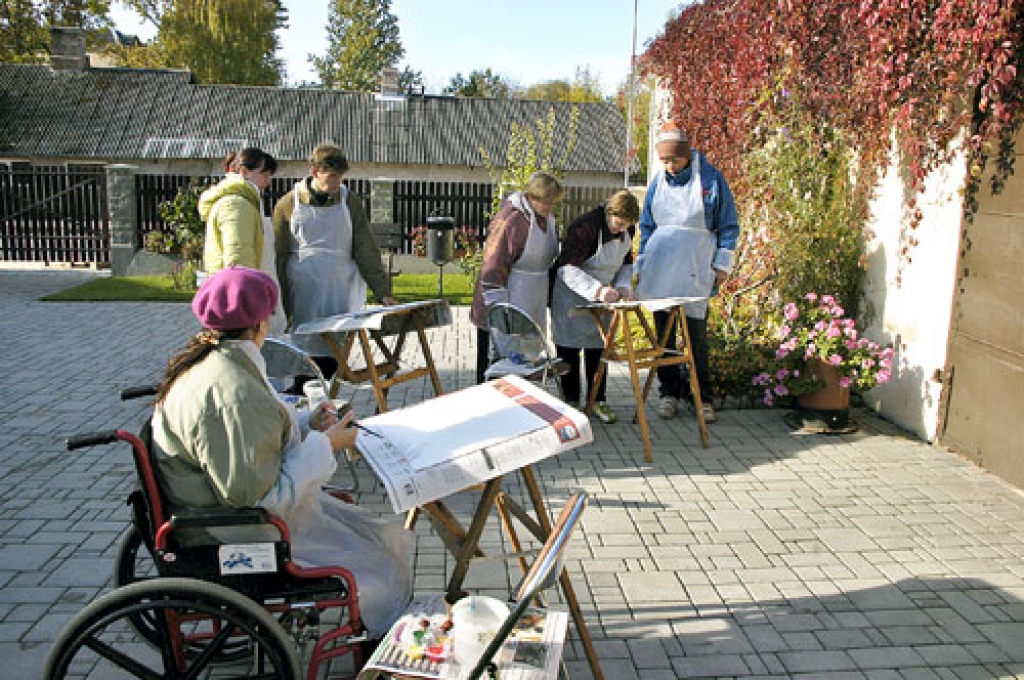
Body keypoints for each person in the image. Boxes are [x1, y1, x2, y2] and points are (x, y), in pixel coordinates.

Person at [150, 266, 412, 639]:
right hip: (234, 531)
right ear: (261, 323)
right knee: (380, 562)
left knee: (376, 536)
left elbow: (257, 431)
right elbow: (261, 499)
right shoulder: (232, 388)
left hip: (215, 510)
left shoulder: (217, 363)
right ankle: (380, 647)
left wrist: (307, 423)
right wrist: (328, 444)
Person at [635, 122, 740, 423]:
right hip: (661, 268)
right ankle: (668, 394)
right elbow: (647, 226)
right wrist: (641, 263)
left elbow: (728, 225)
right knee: (664, 337)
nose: (670, 166)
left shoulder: (710, 180)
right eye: (665, 161)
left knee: (695, 337)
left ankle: (701, 398)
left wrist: (722, 265)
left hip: (696, 265)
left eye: (675, 160)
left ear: (686, 155)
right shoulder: (657, 183)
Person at [273, 143, 394, 380]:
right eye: (331, 177)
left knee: (335, 346)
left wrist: (383, 292)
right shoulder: (288, 204)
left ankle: (326, 396)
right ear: (314, 172)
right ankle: (305, 394)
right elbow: (279, 255)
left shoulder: (350, 202)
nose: (336, 182)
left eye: (340, 177)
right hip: (303, 291)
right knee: (305, 346)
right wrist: (281, 303)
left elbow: (365, 249)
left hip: (341, 288)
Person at [550, 190, 639, 423]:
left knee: (598, 350)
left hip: (603, 298)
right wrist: (597, 291)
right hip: (571, 294)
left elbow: (626, 265)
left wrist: (623, 287)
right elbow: (566, 269)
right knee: (568, 350)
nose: (622, 229)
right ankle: (569, 402)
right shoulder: (585, 227)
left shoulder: (628, 230)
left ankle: (598, 400)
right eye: (619, 223)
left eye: (627, 225)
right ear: (610, 213)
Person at [470, 171, 564, 384]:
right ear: (532, 197)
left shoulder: (547, 219)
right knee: (497, 365)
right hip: (505, 297)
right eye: (546, 202)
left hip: (533, 299)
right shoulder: (510, 220)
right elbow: (493, 266)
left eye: (553, 203)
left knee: (529, 361)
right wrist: (499, 313)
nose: (550, 207)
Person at [200, 147, 278, 274]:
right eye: (264, 174)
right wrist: (243, 291)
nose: (268, 181)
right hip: (240, 288)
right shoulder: (236, 204)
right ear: (244, 172)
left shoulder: (245, 202)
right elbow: (237, 258)